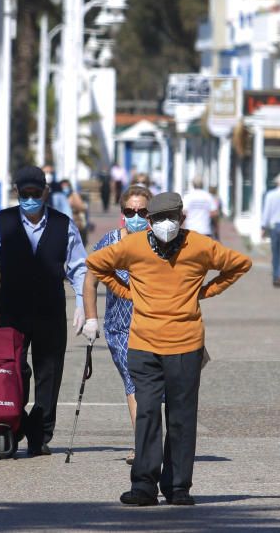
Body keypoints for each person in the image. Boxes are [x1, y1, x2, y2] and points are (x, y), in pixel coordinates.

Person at [86, 192, 252, 506]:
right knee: (147, 413)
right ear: (149, 222)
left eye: (171, 218)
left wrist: (205, 291)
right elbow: (96, 264)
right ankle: (144, 486)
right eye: (159, 219)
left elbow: (240, 264)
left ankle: (178, 487)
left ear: (182, 219)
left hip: (185, 344)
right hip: (143, 344)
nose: (165, 224)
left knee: (181, 416)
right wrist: (126, 291)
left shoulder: (200, 246)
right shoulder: (133, 246)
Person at [0, 165, 91, 457]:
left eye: (36, 193)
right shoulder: (2, 221)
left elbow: (80, 268)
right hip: (14, 308)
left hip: (49, 308)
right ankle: (14, 423)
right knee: (13, 371)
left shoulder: (64, 224)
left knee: (50, 372)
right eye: (25, 194)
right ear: (18, 193)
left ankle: (41, 434)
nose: (31, 199)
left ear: (45, 192)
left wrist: (82, 305)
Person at [82, 184, 154, 465]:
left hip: (154, 324)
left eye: (142, 211)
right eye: (130, 211)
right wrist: (90, 317)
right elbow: (91, 278)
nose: (136, 216)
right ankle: (143, 447)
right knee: (134, 381)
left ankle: (152, 441)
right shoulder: (110, 241)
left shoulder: (158, 241)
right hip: (121, 328)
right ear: (122, 213)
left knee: (154, 388)